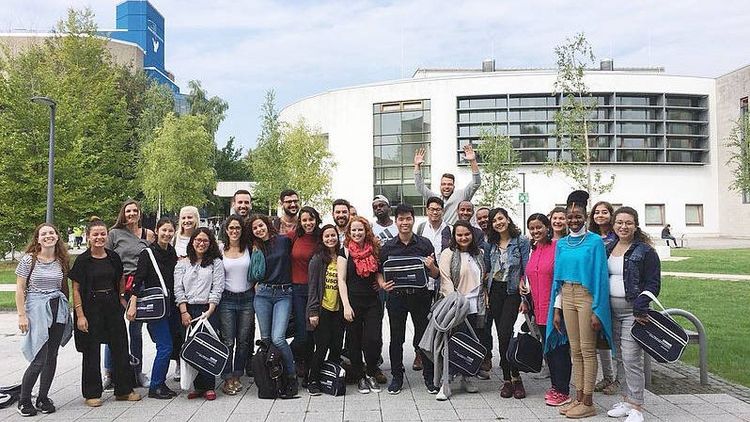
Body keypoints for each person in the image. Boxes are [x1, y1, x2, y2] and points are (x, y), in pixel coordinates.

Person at [547, 190, 613, 419]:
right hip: (566, 294)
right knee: (574, 351)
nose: (573, 220)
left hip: (586, 296)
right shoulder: (562, 243)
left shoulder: (595, 242)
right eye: (569, 216)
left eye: (578, 216)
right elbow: (558, 278)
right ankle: (577, 397)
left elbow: (600, 276)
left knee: (587, 349)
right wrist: (557, 309)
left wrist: (597, 309)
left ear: (585, 216)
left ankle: (588, 401)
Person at [71, 219, 141, 407]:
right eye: (95, 234)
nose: (99, 237)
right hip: (91, 308)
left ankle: (123, 390)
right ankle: (92, 393)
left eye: (103, 234)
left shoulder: (113, 257)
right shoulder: (82, 260)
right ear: (88, 237)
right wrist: (80, 315)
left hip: (112, 305)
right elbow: (75, 289)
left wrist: (120, 297)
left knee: (120, 347)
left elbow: (120, 278)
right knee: (91, 351)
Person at [605, 207, 661, 422]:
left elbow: (653, 284)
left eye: (628, 222)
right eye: (619, 222)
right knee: (618, 357)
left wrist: (641, 306)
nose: (623, 226)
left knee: (631, 358)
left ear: (635, 225)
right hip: (612, 311)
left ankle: (637, 406)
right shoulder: (609, 247)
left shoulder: (645, 251)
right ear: (614, 225)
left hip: (633, 313)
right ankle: (627, 400)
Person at [379, 203, 440, 395]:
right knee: (396, 339)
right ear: (396, 222)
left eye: (408, 218)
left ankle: (429, 377)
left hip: (420, 297)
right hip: (396, 298)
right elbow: (379, 272)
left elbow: (436, 275)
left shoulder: (424, 244)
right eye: (401, 219)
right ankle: (397, 377)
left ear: (413, 220)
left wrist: (431, 266)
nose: (405, 222)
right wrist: (382, 284)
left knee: (424, 338)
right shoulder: (387, 247)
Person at [15, 223, 73, 416]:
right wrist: (22, 315)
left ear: (57, 236)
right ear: (38, 239)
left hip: (57, 307)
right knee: (39, 356)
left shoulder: (62, 260)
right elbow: (20, 289)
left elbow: (64, 287)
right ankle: (24, 400)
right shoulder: (29, 260)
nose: (48, 236)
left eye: (51, 233)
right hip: (36, 309)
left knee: (52, 355)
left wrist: (67, 311)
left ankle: (43, 397)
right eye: (44, 234)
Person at [520, 213, 571, 407]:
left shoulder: (557, 247)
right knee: (548, 349)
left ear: (547, 227)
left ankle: (563, 390)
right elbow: (531, 274)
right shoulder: (534, 249)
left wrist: (558, 309)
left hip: (555, 308)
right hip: (537, 308)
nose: (535, 231)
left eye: (539, 227)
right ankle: (556, 386)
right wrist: (524, 290)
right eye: (531, 228)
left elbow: (560, 279)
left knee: (559, 349)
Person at [104, 199, 155, 389]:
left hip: (139, 285)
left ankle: (137, 370)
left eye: (135, 210)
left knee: (136, 331)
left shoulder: (148, 235)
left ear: (140, 213)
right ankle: (109, 372)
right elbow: (105, 258)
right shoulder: (114, 234)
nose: (132, 214)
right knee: (114, 330)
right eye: (128, 211)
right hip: (118, 285)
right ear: (123, 214)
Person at [127, 217, 178, 400]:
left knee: (167, 345)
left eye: (170, 231)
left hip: (171, 305)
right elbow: (137, 279)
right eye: (164, 230)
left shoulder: (171, 252)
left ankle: (160, 383)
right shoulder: (147, 253)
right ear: (156, 231)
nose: (167, 234)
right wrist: (132, 305)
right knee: (165, 346)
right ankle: (156, 386)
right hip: (156, 308)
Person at [248, 214, 298, 398]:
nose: (259, 230)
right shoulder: (255, 247)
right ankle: (273, 378)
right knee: (266, 339)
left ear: (267, 225)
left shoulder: (284, 241)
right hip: (263, 294)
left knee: (278, 338)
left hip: (284, 294)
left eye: (260, 225)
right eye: (255, 228)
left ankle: (291, 377)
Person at [483, 207, 530, 399]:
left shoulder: (521, 242)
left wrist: (525, 297)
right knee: (502, 335)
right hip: (495, 292)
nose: (498, 223)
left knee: (505, 332)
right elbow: (486, 270)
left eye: (500, 219)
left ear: (508, 219)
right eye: (494, 221)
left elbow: (526, 270)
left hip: (512, 292)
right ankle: (507, 380)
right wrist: (485, 292)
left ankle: (516, 377)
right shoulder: (489, 244)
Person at [436, 220, 486, 400]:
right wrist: (456, 302)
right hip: (455, 306)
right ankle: (446, 380)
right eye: (459, 235)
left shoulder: (479, 253)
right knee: (451, 343)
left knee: (470, 342)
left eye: (467, 234)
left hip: (475, 306)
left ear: (472, 235)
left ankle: (467, 376)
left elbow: (482, 279)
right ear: (454, 237)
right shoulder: (448, 253)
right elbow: (445, 279)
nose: (463, 238)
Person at [174, 227, 225, 400]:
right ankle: (197, 386)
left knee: (207, 346)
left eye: (205, 240)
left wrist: (210, 310)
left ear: (210, 243)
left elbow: (218, 287)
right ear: (192, 242)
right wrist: (183, 311)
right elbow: (178, 289)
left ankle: (209, 386)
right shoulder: (182, 263)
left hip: (208, 310)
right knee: (191, 347)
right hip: (188, 310)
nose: (201, 243)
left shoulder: (216, 263)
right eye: (198, 240)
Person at [338, 216, 383, 394]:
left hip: (372, 301)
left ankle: (371, 372)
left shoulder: (375, 249)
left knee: (373, 339)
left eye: (360, 230)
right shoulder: (345, 252)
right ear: (349, 233)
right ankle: (360, 377)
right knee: (354, 341)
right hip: (352, 301)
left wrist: (380, 282)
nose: (357, 233)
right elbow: (341, 280)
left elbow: (379, 271)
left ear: (366, 231)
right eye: (353, 230)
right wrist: (346, 306)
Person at [214, 215, 253, 396]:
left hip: (247, 298)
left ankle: (238, 374)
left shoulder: (249, 248)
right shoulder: (220, 249)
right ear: (226, 230)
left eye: (238, 228)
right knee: (228, 341)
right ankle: (227, 376)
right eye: (231, 228)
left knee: (244, 341)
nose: (235, 231)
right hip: (227, 299)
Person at [305, 225, 344, 396]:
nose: (330, 239)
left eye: (333, 235)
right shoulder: (317, 259)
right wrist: (313, 312)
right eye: (327, 236)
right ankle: (312, 379)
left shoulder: (343, 257)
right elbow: (312, 287)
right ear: (322, 239)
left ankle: (331, 377)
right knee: (321, 347)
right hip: (323, 310)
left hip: (339, 310)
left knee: (336, 347)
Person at [289, 206, 322, 385]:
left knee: (314, 332)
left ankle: (310, 369)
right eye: (304, 220)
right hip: (297, 290)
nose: (308, 223)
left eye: (311, 219)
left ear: (316, 219)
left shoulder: (321, 239)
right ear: (300, 222)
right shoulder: (294, 236)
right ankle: (296, 358)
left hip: (316, 290)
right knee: (303, 333)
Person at [589, 201, 619, 395]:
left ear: (611, 215)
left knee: (616, 338)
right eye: (597, 212)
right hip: (596, 291)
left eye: (605, 212)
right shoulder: (591, 238)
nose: (600, 215)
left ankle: (619, 380)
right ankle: (607, 377)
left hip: (614, 291)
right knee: (601, 338)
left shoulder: (617, 237)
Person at [414, 144, 481, 225]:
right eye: (444, 184)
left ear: (453, 186)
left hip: (456, 234)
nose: (446, 187)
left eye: (449, 184)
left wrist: (473, 161)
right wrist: (417, 166)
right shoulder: (434, 198)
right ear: (440, 186)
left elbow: (476, 183)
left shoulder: (461, 195)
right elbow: (420, 187)